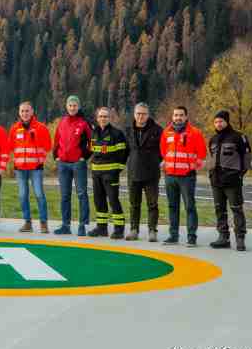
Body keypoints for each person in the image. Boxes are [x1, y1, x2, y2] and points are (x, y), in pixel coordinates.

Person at [160, 106, 207, 247]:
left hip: (187, 177)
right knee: (172, 206)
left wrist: (192, 166)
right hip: (170, 176)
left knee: (190, 207)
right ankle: (173, 236)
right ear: (172, 117)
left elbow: (202, 154)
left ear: (186, 117)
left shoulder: (195, 133)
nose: (178, 117)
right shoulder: (166, 132)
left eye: (181, 115)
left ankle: (191, 237)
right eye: (175, 115)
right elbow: (163, 152)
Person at [207, 110, 252, 251]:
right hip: (216, 181)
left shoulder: (239, 137)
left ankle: (240, 238)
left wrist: (239, 175)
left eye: (220, 121)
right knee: (219, 210)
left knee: (237, 209)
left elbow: (247, 157)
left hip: (232, 181)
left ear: (226, 121)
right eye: (215, 122)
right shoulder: (212, 139)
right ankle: (223, 237)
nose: (218, 124)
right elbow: (212, 158)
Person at [8, 102, 52, 233]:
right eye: (22, 111)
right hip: (20, 168)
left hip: (36, 168)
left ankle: (43, 223)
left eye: (27, 111)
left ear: (32, 112)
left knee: (39, 195)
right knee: (22, 196)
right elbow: (10, 147)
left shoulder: (41, 127)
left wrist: (40, 159)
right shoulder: (15, 128)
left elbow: (48, 146)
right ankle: (27, 223)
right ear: (19, 113)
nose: (25, 113)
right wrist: (15, 159)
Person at [52, 95, 92, 235]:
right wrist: (56, 156)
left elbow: (91, 142)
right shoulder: (62, 122)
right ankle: (65, 225)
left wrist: (84, 157)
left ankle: (83, 225)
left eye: (75, 105)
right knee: (64, 195)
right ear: (66, 107)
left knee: (81, 194)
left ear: (78, 107)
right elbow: (57, 140)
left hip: (78, 163)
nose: (72, 108)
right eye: (70, 105)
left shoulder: (84, 123)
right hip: (63, 163)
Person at [87, 107, 129, 239]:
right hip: (96, 173)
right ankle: (102, 228)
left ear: (109, 118)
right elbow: (91, 151)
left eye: (105, 116)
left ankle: (119, 229)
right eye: (100, 116)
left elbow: (124, 152)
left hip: (111, 173)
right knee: (98, 201)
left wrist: (118, 168)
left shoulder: (117, 133)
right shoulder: (93, 133)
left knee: (113, 200)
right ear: (97, 118)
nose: (103, 119)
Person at [125, 103, 163, 242]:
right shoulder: (128, 130)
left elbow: (163, 151)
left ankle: (152, 230)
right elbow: (125, 150)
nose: (141, 116)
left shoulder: (158, 130)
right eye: (138, 113)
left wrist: (156, 160)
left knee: (152, 204)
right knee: (134, 204)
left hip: (151, 173)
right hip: (133, 172)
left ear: (148, 115)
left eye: (144, 114)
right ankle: (134, 230)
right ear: (134, 114)